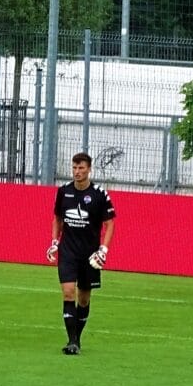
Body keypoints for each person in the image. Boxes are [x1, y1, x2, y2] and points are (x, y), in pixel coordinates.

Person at [47, 151, 115, 355]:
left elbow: (110, 223)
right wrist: (54, 242)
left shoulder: (99, 194)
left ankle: (77, 338)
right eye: (75, 168)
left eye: (81, 168)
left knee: (84, 299)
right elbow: (57, 218)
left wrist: (103, 248)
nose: (77, 172)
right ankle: (72, 340)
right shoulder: (63, 192)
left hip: (90, 254)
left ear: (89, 169)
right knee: (68, 292)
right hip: (68, 252)